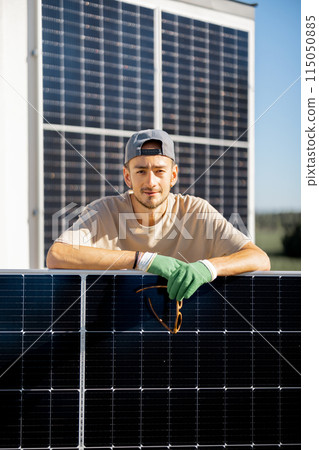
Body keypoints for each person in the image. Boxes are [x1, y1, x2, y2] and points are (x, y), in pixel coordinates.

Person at [47, 129, 270, 301]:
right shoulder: (104, 211)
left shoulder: (196, 211)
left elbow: (259, 259)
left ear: (173, 175)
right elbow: (57, 255)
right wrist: (142, 260)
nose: (151, 182)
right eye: (141, 171)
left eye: (159, 171)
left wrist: (207, 268)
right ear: (127, 176)